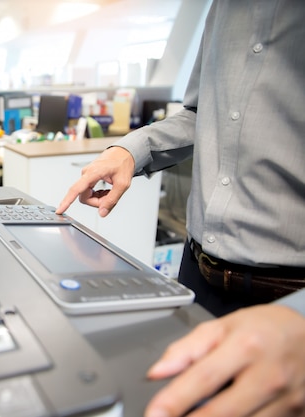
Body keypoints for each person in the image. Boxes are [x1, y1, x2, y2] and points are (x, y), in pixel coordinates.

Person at [56, 0, 305, 415]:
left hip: (290, 302)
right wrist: (131, 151)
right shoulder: (223, 8)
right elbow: (199, 112)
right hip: (198, 276)